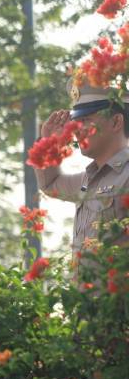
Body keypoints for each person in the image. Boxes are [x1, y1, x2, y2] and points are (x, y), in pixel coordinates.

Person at [34, 81, 129, 255]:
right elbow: (50, 184)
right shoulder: (88, 179)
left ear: (116, 122)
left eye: (85, 120)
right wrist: (49, 143)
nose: (76, 130)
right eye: (76, 121)